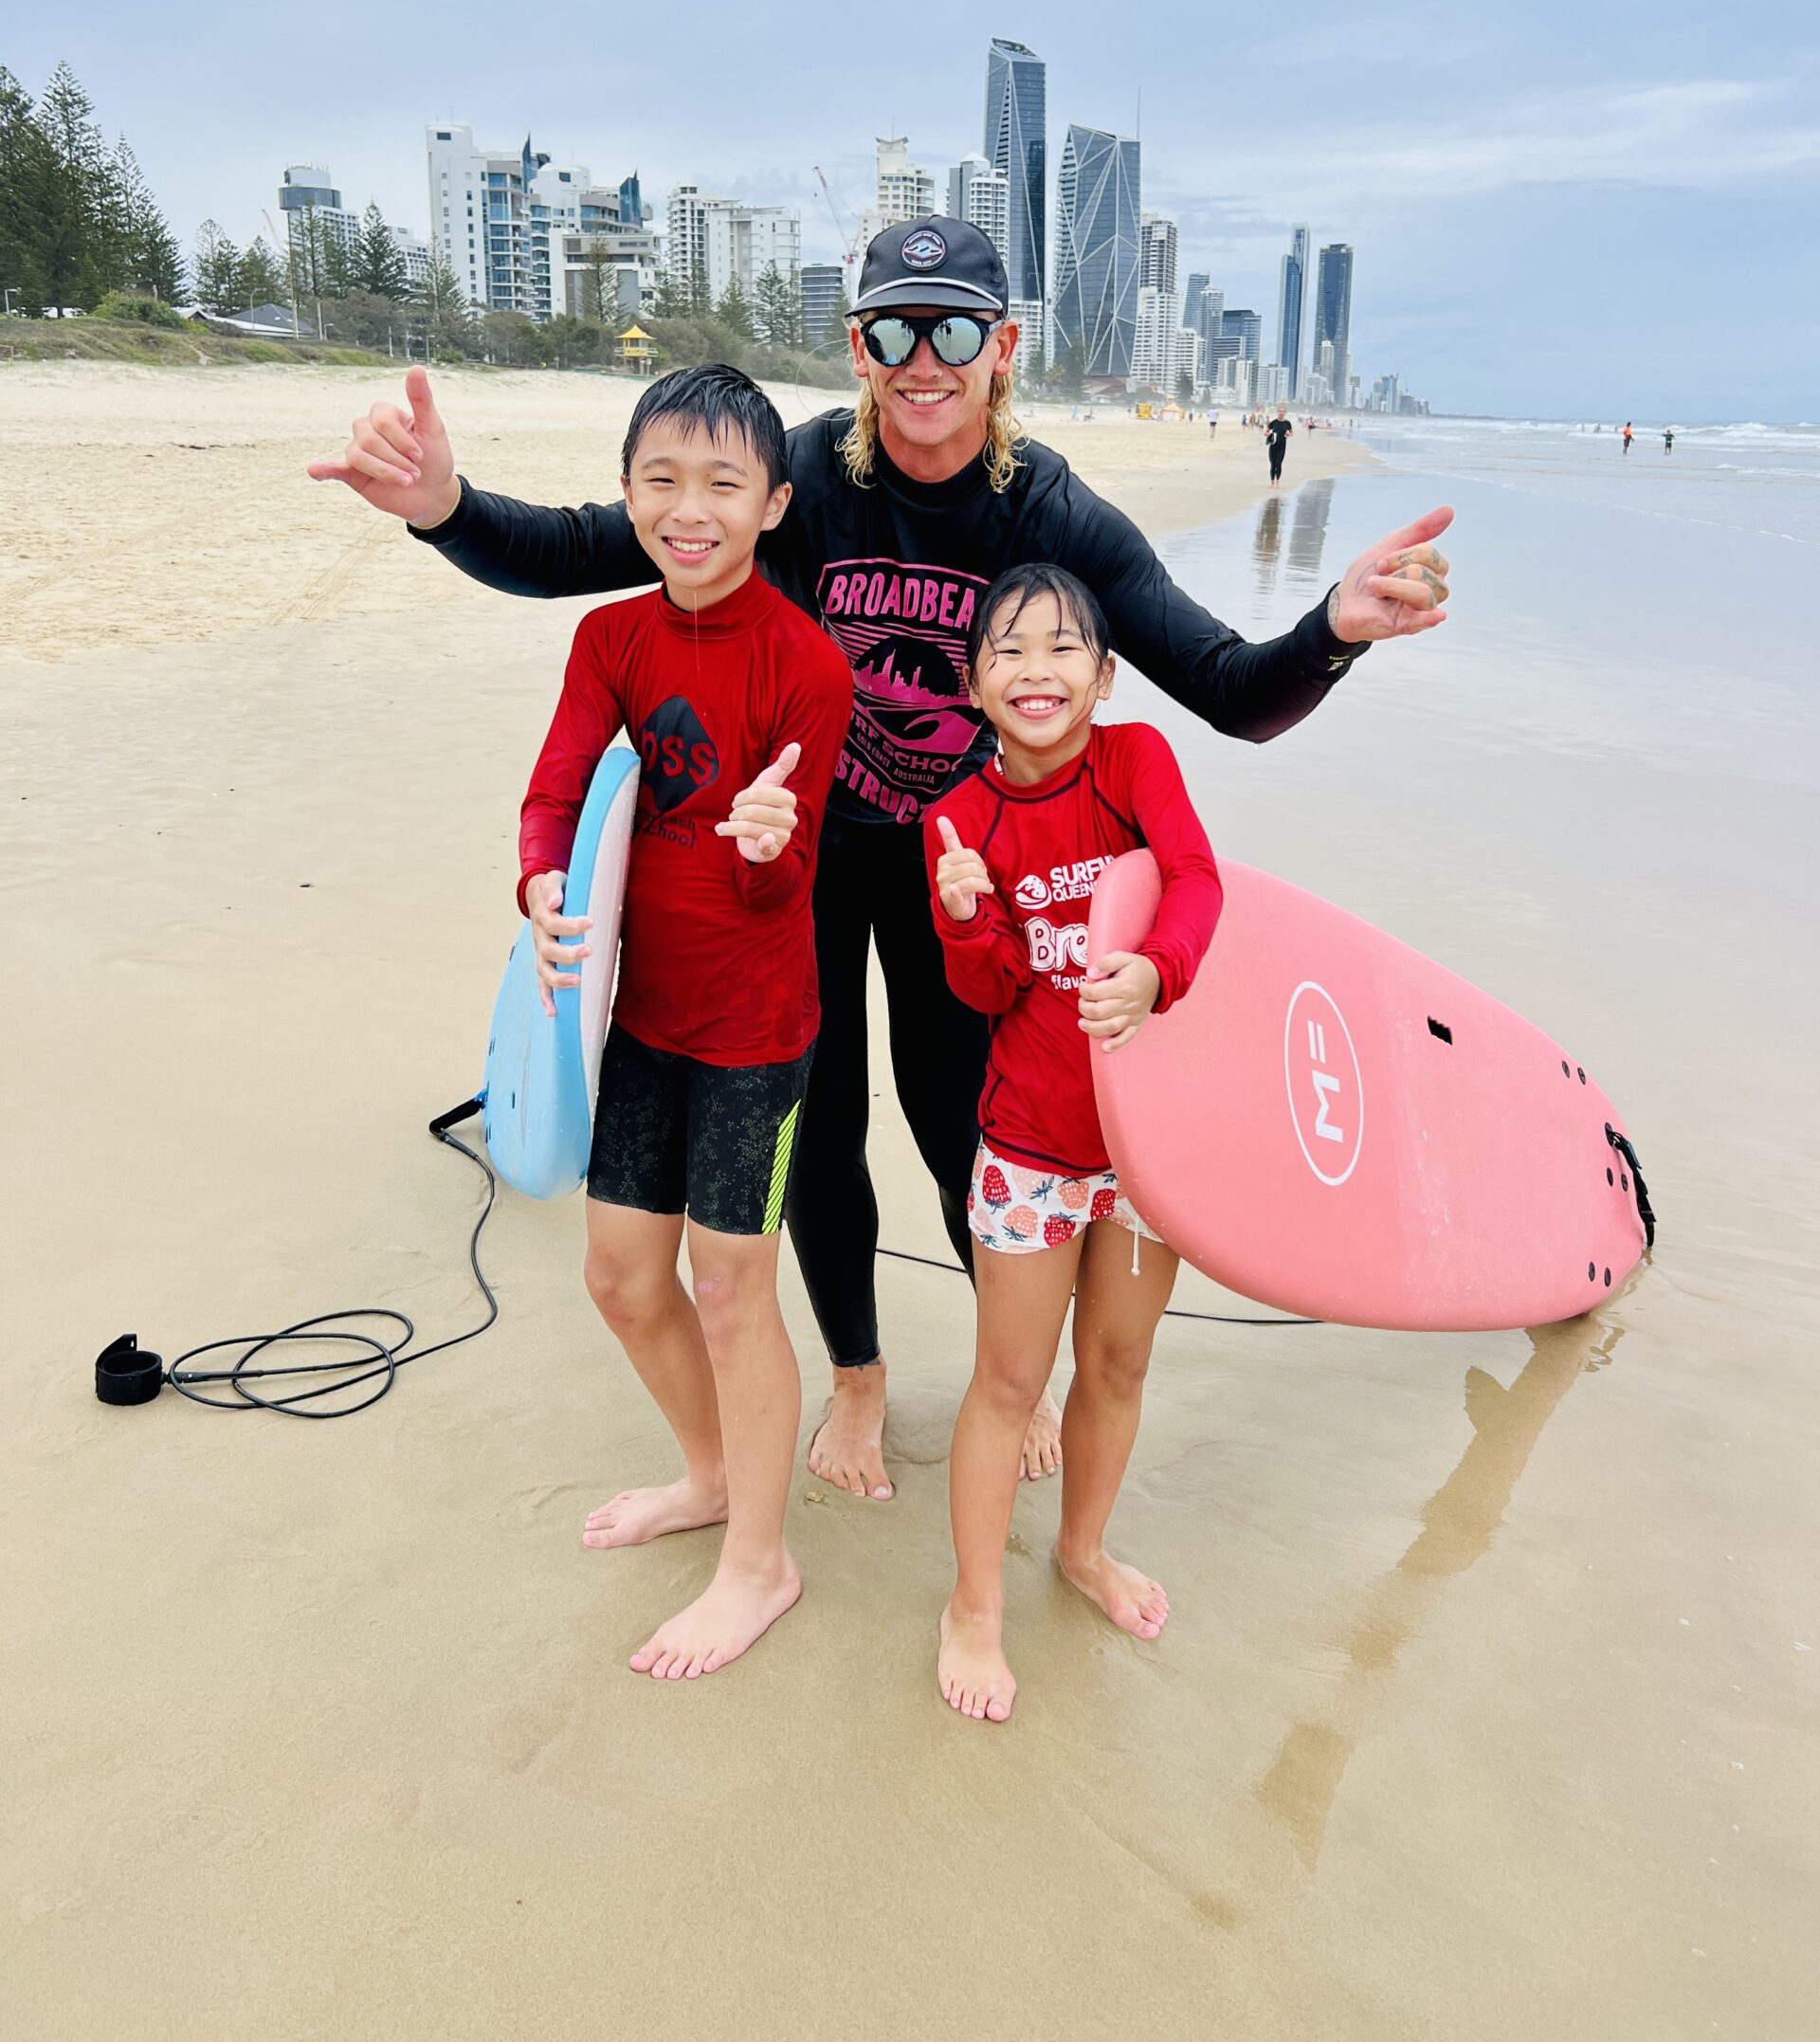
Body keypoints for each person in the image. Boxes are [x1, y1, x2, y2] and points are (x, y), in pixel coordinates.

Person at [308, 216, 1453, 1506]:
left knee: (964, 1120)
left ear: (1002, 347)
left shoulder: (1052, 512)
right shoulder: (798, 479)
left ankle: (1000, 1374)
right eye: (894, 328)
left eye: (954, 327)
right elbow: (589, 545)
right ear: (858, 346)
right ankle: (856, 1371)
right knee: (826, 1125)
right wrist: (443, 512)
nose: (923, 357)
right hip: (795, 858)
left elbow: (1228, 688)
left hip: (962, 874)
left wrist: (1336, 630)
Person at [516, 364, 853, 1678]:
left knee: (729, 1283)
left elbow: (783, 882)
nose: (690, 509)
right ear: (627, 493)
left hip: (759, 1031)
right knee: (618, 1275)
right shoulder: (609, 641)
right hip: (641, 1015)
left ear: (774, 504)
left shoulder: (806, 667)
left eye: (723, 484)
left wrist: (768, 841)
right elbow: (557, 798)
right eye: (663, 479)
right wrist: (542, 878)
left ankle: (761, 1565)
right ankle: (712, 1478)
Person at [925, 563, 1221, 1722]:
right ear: (975, 683)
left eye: (1063, 649)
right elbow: (989, 988)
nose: (1036, 670)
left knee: (1118, 1365)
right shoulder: (960, 817)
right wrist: (963, 915)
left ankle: (1084, 1548)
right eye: (1008, 650)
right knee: (1009, 1379)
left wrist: (1157, 971)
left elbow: (1195, 881)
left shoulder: (1136, 761)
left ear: (1104, 675)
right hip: (1035, 1149)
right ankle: (974, 1605)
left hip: (1147, 1149)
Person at [1265, 408, 1292, 483]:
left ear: (1285, 413)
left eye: (1283, 411)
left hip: (1282, 446)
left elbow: (1291, 433)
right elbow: (1265, 433)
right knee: (1273, 464)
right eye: (1280, 411)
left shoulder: (1287, 423)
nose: (1281, 413)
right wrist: (1269, 433)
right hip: (1273, 446)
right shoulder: (1273, 422)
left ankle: (1277, 481)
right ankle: (1272, 482)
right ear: (1277, 412)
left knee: (1278, 463)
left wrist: (1288, 434)